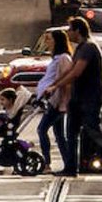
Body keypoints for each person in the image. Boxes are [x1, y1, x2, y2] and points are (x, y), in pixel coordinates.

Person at [46, 16, 102, 177]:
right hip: (77, 98)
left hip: (90, 98)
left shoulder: (89, 47)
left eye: (70, 30)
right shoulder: (80, 48)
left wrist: (56, 86)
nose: (68, 33)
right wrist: (52, 85)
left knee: (94, 130)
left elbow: (76, 72)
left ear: (78, 30)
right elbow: (69, 71)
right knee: (71, 133)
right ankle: (71, 167)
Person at [34, 29, 73, 173]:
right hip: (52, 101)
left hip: (56, 102)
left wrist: (63, 104)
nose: (47, 42)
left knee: (42, 129)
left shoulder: (64, 58)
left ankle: (47, 164)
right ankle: (69, 163)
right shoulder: (56, 59)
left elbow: (66, 81)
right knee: (59, 135)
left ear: (57, 41)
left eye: (49, 39)